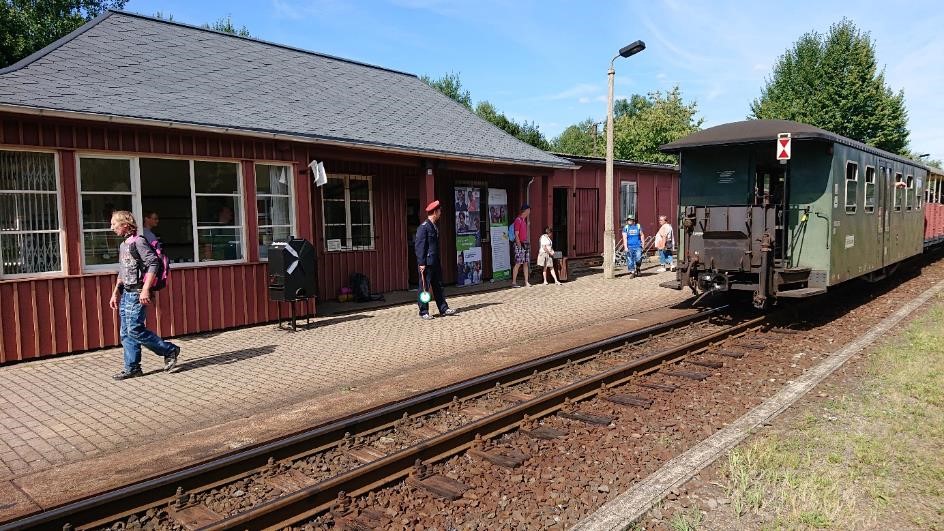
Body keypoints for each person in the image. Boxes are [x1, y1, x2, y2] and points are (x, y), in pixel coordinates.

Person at [108, 210, 180, 380]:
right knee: (126, 332)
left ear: (125, 225)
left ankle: (169, 350)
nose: (112, 228)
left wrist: (146, 289)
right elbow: (123, 272)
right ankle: (132, 367)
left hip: (138, 292)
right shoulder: (123, 245)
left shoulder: (139, 242)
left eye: (114, 224)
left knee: (134, 329)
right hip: (126, 292)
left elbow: (153, 263)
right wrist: (115, 294)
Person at [415, 200, 458, 320]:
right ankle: (424, 311)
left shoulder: (433, 226)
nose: (440, 213)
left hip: (435, 262)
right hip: (426, 263)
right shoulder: (423, 228)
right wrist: (421, 263)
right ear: (435, 212)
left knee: (439, 286)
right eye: (439, 211)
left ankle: (443, 308)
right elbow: (419, 246)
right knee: (424, 287)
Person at [510, 204, 531, 287]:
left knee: (525, 263)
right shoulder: (518, 220)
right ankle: (514, 282)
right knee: (518, 263)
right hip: (520, 244)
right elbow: (516, 234)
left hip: (525, 243)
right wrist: (519, 246)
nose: (529, 212)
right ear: (525, 211)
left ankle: (526, 282)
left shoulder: (524, 220)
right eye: (529, 210)